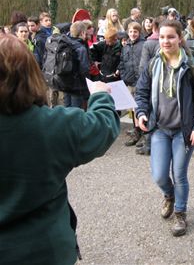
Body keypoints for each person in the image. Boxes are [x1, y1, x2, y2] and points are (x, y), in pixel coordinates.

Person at [0, 34, 120, 264]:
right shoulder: (53, 126)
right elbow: (103, 126)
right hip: (46, 252)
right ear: (32, 74)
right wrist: (101, 95)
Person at [134, 20, 194, 237]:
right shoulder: (153, 65)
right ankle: (169, 195)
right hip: (160, 129)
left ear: (180, 38)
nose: (166, 41)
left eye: (170, 37)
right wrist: (141, 113)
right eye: (162, 37)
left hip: (184, 131)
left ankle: (180, 213)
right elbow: (141, 93)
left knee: (179, 174)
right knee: (159, 175)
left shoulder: (193, 66)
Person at [117, 22, 146, 146]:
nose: (133, 34)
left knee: (142, 107)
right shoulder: (125, 46)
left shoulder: (144, 45)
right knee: (132, 109)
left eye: (135, 32)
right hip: (129, 81)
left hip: (141, 81)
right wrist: (123, 75)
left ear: (139, 33)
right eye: (130, 32)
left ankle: (145, 133)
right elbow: (122, 62)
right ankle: (136, 132)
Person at [63, 21, 91, 109]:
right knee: (76, 110)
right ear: (83, 33)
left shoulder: (65, 43)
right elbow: (85, 69)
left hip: (65, 83)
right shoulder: (81, 48)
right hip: (77, 86)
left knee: (67, 108)